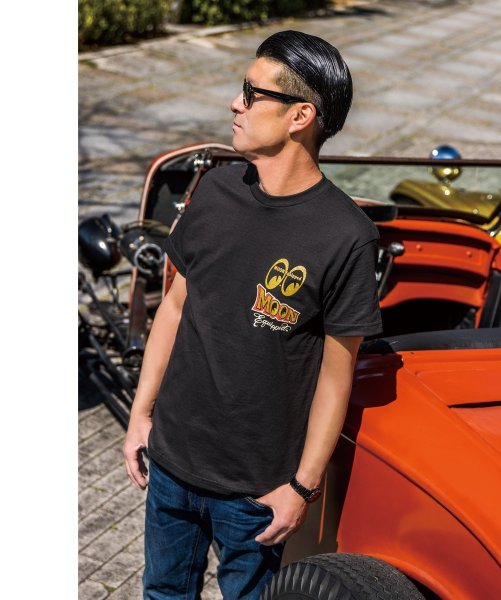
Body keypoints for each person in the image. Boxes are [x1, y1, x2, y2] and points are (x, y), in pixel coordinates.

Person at [123, 29, 382, 600]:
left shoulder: (347, 237)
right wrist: (141, 415)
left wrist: (301, 487)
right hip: (171, 460)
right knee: (162, 592)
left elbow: (336, 376)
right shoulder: (216, 189)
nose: (234, 104)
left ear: (299, 116)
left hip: (256, 491)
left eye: (251, 92)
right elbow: (175, 306)